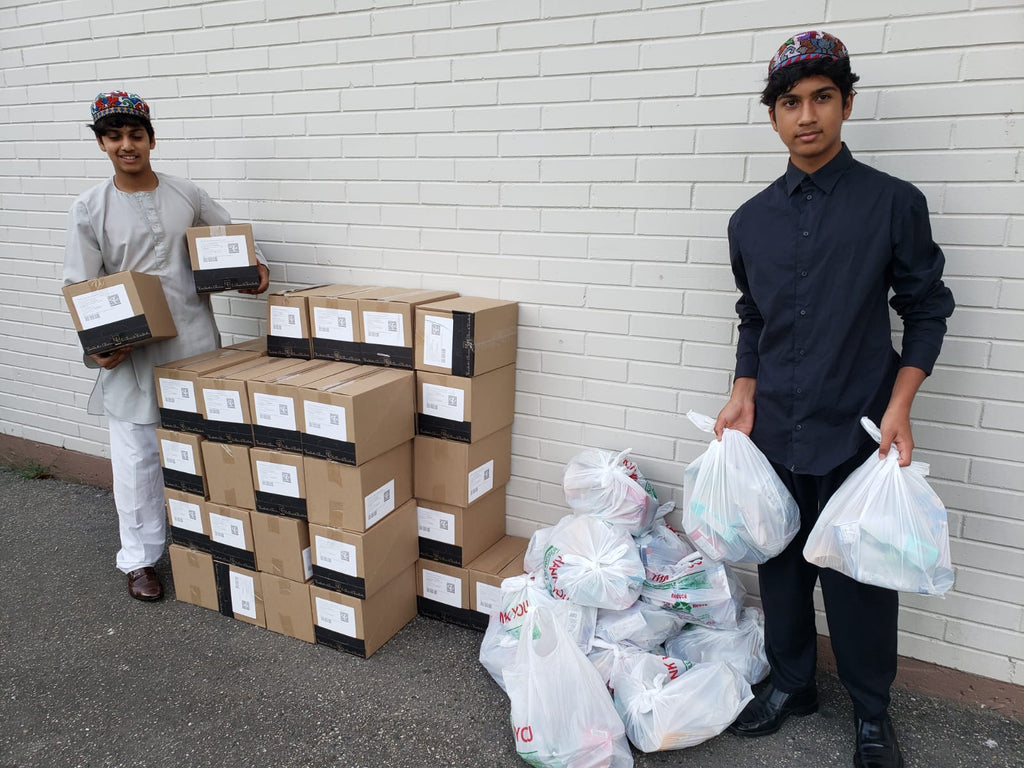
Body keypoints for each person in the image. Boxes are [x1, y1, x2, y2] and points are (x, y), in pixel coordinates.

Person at [714, 32, 954, 768]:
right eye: (790, 103)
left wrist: (901, 406)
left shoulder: (893, 204)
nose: (807, 115)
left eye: (822, 98)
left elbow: (927, 308)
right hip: (774, 429)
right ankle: (792, 685)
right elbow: (754, 315)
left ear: (847, 104)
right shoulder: (750, 220)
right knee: (780, 564)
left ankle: (872, 713)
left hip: (858, 430)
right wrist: (742, 390)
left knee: (858, 579)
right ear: (773, 116)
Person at [63, 92, 270, 602]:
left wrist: (256, 268)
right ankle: (139, 559)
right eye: (115, 137)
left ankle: (215, 544)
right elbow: (80, 285)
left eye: (136, 135)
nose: (126, 145)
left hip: (197, 345)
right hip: (133, 355)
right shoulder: (90, 207)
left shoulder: (186, 193)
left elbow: (228, 236)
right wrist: (96, 348)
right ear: (102, 144)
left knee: (204, 450)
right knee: (138, 460)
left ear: (152, 140)